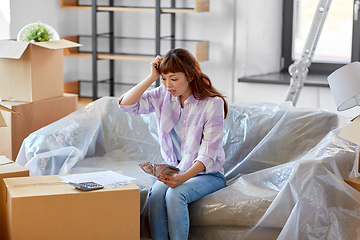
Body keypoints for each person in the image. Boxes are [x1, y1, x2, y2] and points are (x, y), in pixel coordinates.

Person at [118, 48, 228, 240]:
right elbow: (127, 105)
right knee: (157, 193)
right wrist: (152, 77)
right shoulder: (163, 95)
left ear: (190, 76)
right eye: (164, 78)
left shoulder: (212, 103)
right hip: (175, 169)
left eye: (174, 79)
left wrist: (184, 177)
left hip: (208, 173)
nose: (168, 85)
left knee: (174, 195)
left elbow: (208, 154)